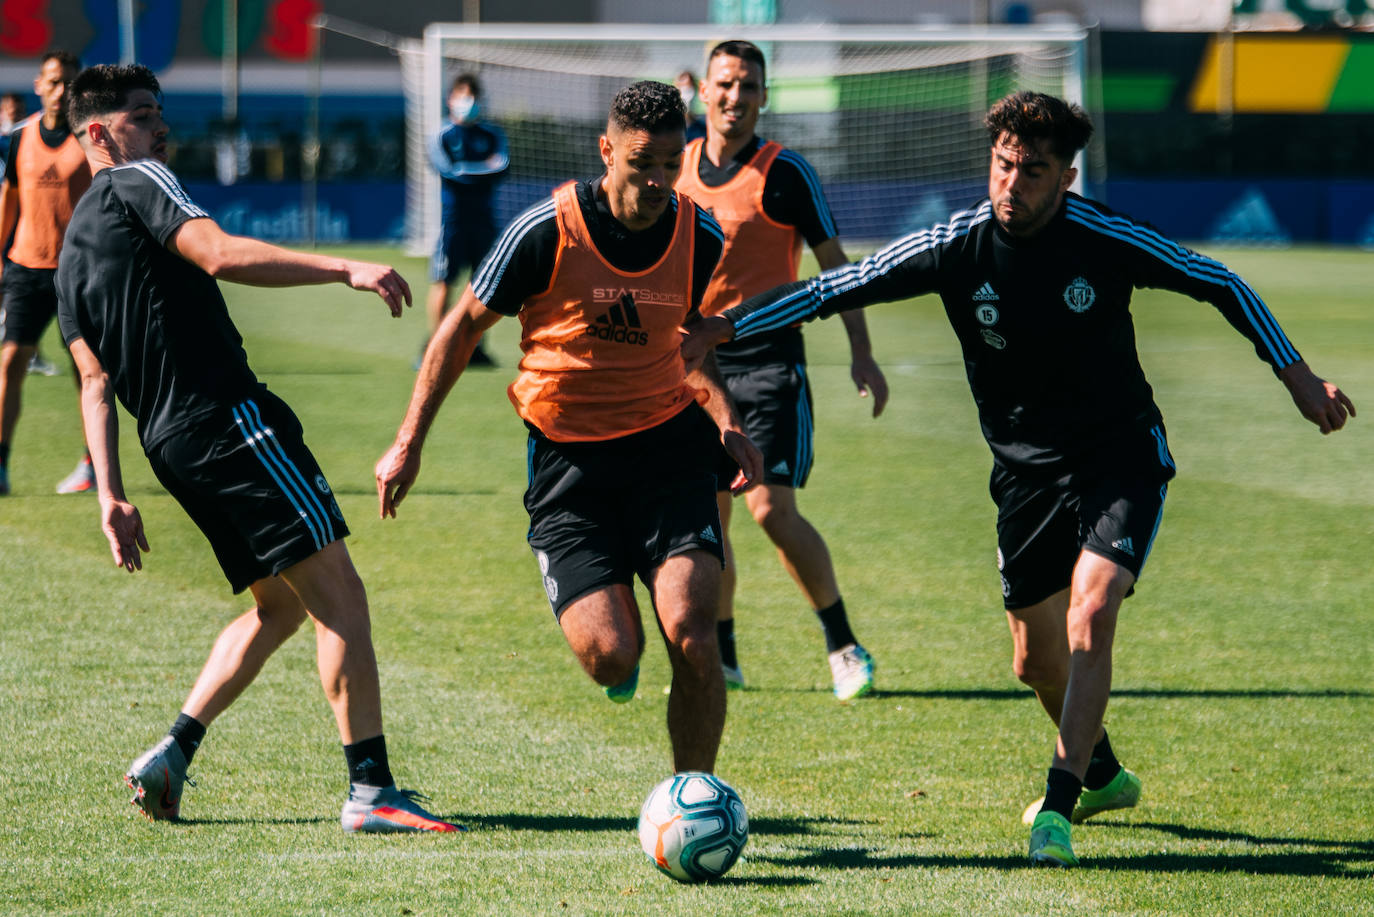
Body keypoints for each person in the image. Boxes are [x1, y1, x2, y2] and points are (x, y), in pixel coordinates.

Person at [682, 90, 1355, 866]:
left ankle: (1058, 810)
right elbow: (835, 287)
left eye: (1032, 170)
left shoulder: (1102, 236)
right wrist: (726, 325)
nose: (1011, 183)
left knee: (1091, 612)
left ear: (1066, 177)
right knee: (1035, 663)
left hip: (1118, 457)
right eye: (1002, 165)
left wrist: (1297, 376)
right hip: (1023, 476)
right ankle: (1100, 770)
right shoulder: (956, 243)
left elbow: (1221, 282)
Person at [57, 63, 459, 834]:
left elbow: (94, 383)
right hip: (228, 420)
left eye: (160, 113)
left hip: (170, 445)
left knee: (278, 605)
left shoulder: (73, 252)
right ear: (101, 133)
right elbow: (217, 252)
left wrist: (110, 491)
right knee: (340, 591)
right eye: (145, 115)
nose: (162, 129)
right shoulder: (138, 180)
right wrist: (343, 266)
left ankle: (173, 750)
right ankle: (372, 791)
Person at [376, 80, 763, 775]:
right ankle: (615, 650)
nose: (656, 181)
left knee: (693, 634)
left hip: (669, 451)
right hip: (570, 469)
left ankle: (693, 795)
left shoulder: (699, 234)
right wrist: (409, 441)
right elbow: (460, 330)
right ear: (606, 149)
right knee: (613, 654)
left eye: (670, 164)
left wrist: (726, 420)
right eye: (641, 163)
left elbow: (687, 345)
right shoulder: (545, 230)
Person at [674, 40, 889, 700]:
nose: (736, 96)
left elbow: (838, 269)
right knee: (708, 519)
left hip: (769, 363)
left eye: (749, 85)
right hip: (695, 368)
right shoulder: (673, 167)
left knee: (769, 508)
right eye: (725, 83)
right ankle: (726, 656)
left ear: (764, 97)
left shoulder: (786, 172)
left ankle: (844, 644)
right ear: (704, 92)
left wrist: (860, 349)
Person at [0, 51, 93, 495]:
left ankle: (91, 466)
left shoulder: (93, 138)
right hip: (25, 267)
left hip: (79, 275)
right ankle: (0, 465)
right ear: (39, 84)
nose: (62, 91)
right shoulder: (19, 139)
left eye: (70, 83)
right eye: (54, 82)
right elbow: (9, 202)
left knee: (87, 371)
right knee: (10, 362)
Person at [424, 73, 508, 369]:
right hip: (453, 221)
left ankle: (473, 345)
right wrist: (480, 170)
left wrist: (468, 171)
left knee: (482, 285)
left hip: (485, 221)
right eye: (462, 95)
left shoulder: (492, 134)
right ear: (450, 99)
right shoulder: (442, 135)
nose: (468, 102)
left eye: (473, 96)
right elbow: (448, 171)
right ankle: (436, 347)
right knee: (444, 280)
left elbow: (502, 166)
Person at [675, 70, 707, 143]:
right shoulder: (669, 127)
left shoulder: (703, 126)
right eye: (683, 87)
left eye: (689, 88)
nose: (686, 92)